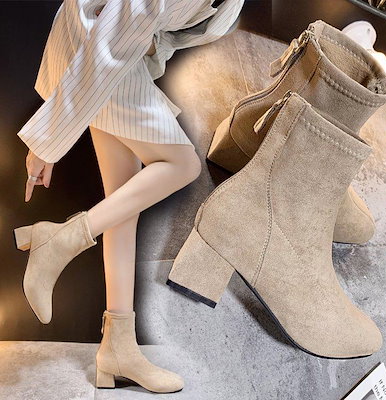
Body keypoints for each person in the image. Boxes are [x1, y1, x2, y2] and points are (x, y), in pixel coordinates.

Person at [13, 0, 244, 393]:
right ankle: (59, 241)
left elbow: (172, 29)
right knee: (182, 164)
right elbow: (113, 34)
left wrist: (152, 45)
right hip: (96, 49)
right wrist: (47, 143)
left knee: (123, 202)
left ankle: (117, 348)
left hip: (119, 55)